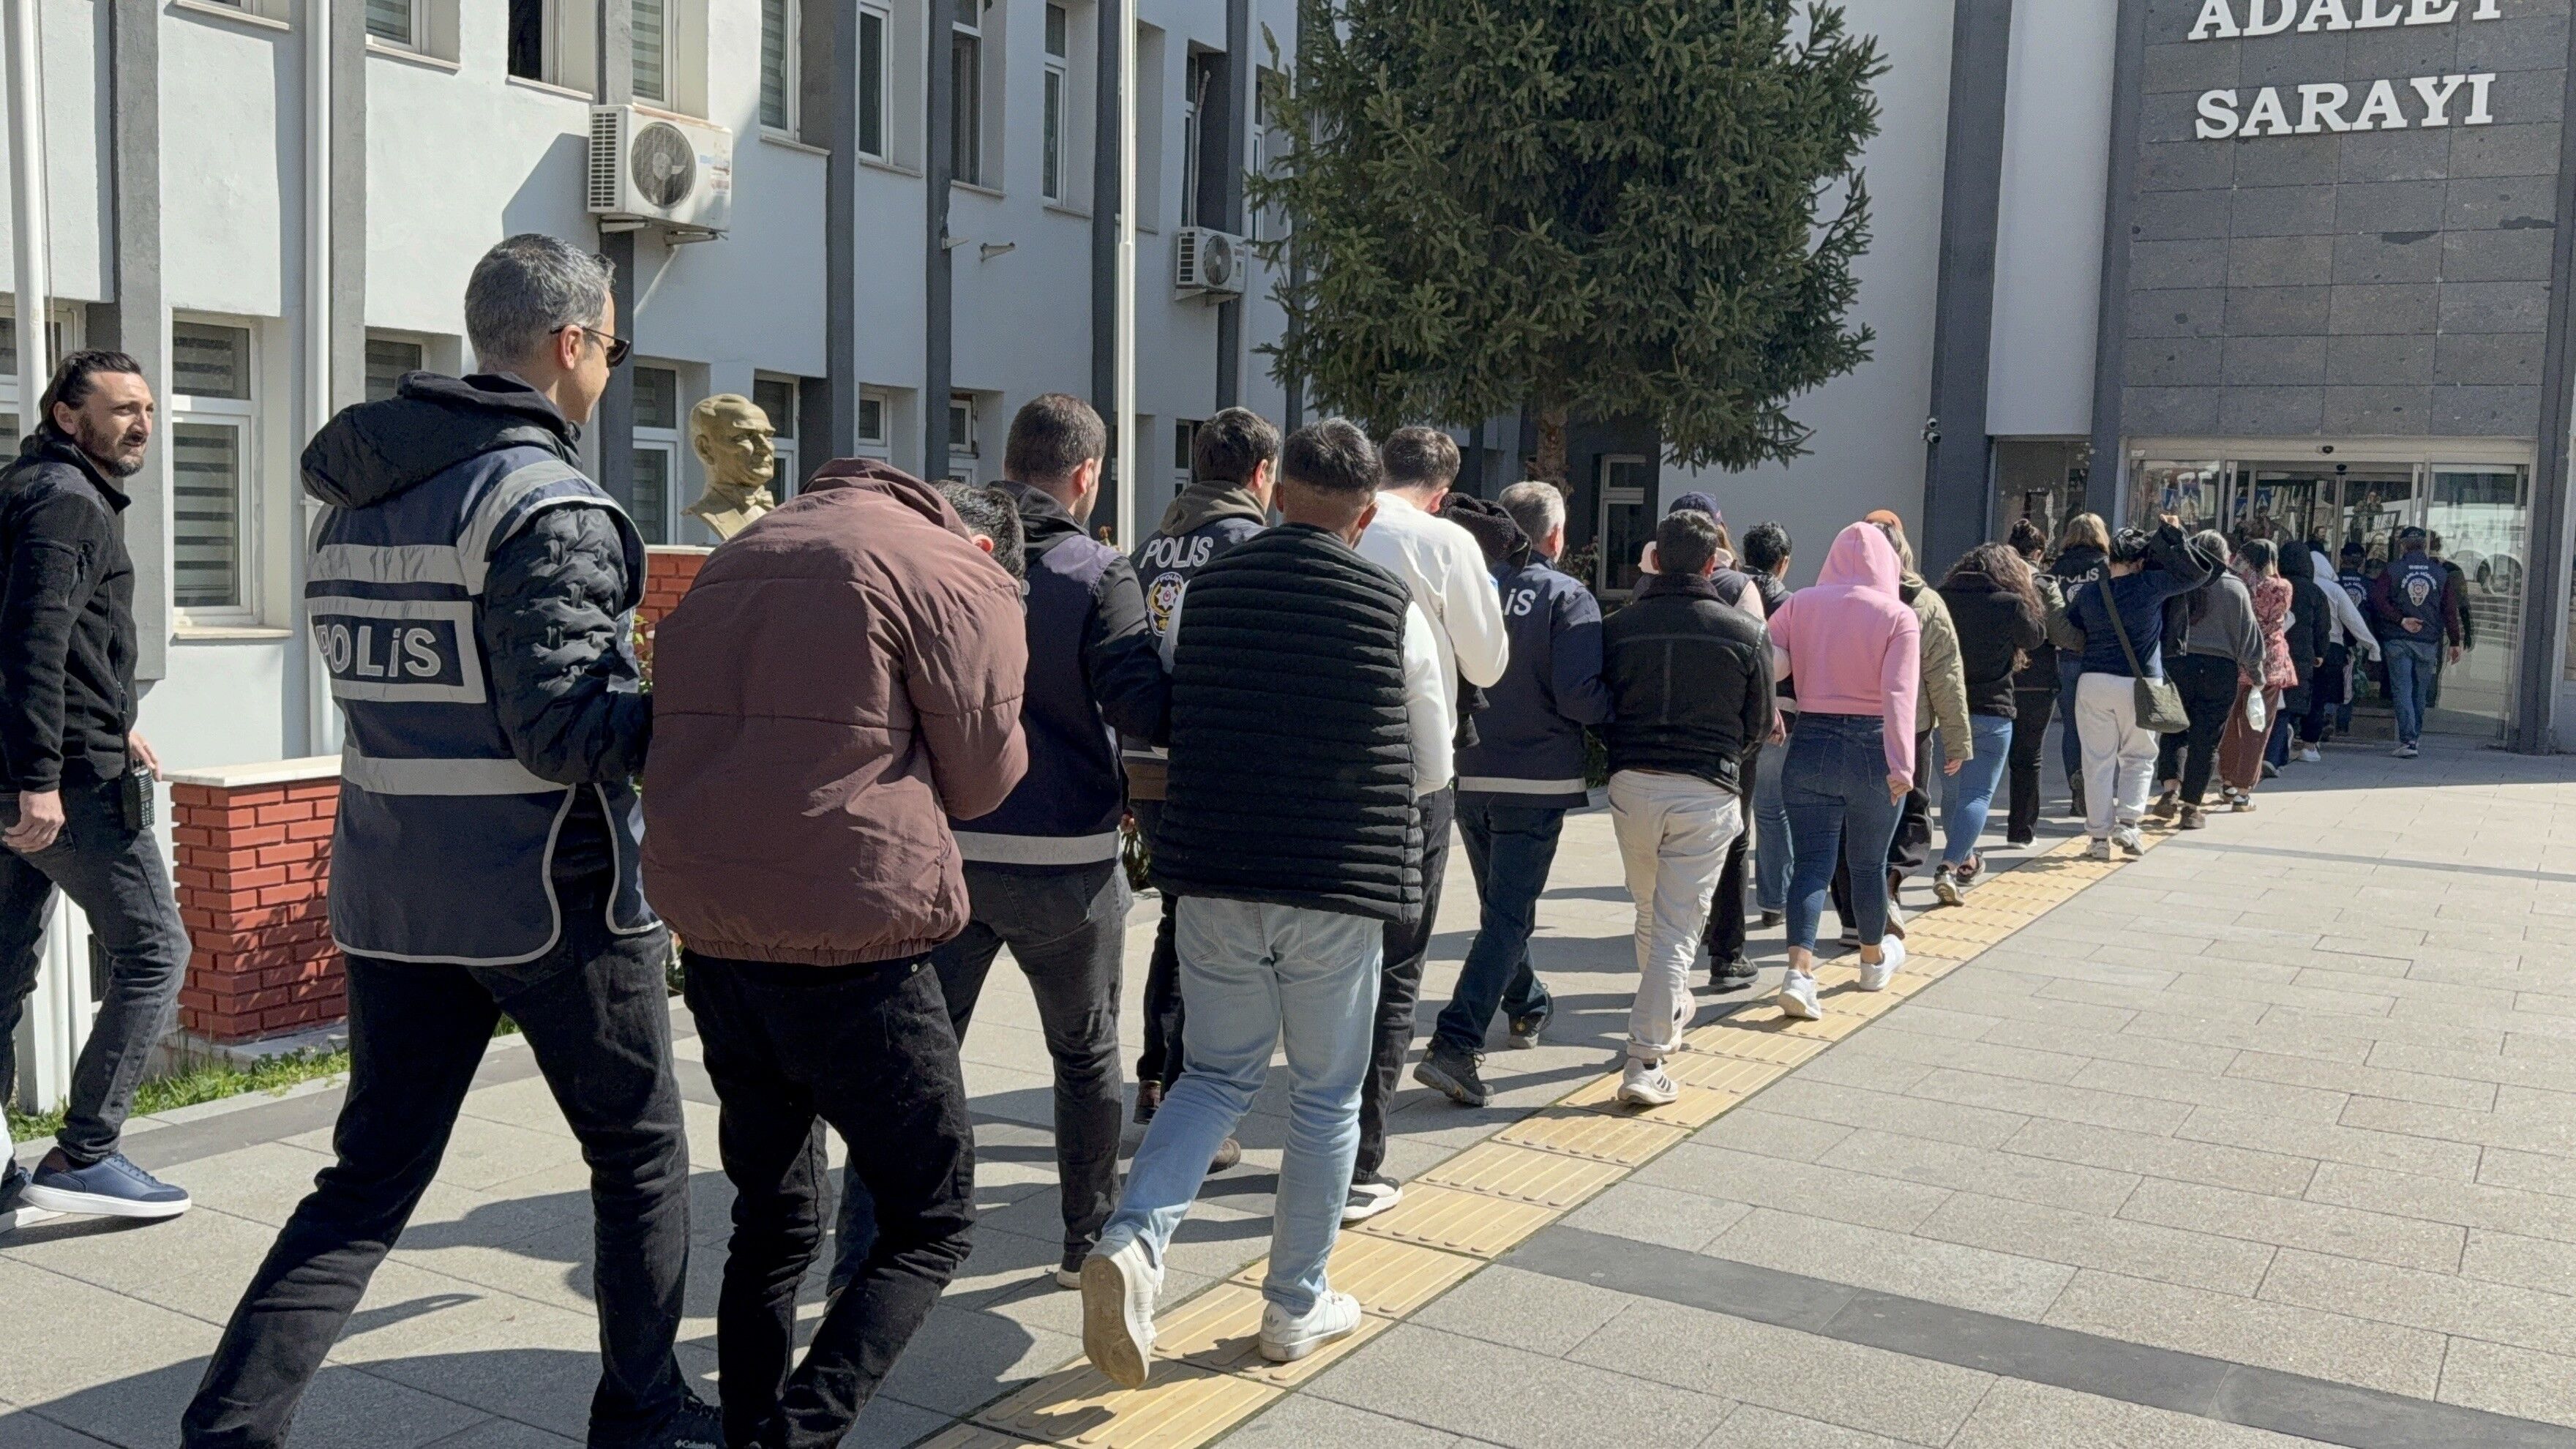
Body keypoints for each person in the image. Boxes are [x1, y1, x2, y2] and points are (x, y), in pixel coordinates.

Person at [187, 236, 722, 1448]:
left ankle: (229, 1426)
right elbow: (562, 733)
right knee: (639, 1158)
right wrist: (695, 708)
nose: (607, 373)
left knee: (368, 1181)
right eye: (612, 348)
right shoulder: (550, 506)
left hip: (391, 894)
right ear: (573, 344)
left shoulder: (357, 507)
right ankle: (641, 1413)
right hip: (552, 899)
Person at [644, 445, 1029, 1448]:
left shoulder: (742, 551)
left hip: (722, 931)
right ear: (980, 540)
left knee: (770, 1219)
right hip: (859, 935)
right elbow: (986, 778)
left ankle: (745, 1428)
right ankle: (797, 1435)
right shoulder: (945, 568)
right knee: (929, 1218)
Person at [1080, 419, 1447, 1385]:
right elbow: (1432, 756)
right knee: (1325, 1096)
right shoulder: (1391, 602)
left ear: (1276, 492)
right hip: (1337, 878)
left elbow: (1181, 700)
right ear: (1366, 517)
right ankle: (1294, 1305)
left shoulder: (1208, 593)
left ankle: (1134, 1243)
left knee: (1212, 1076)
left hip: (1216, 868)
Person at [927, 394, 1170, 1292]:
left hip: (947, 854)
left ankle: (911, 1233)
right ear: (1087, 474)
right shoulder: (1097, 571)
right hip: (1066, 862)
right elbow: (1138, 704)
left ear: (1006, 458)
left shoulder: (942, 554)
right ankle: (1082, 1241)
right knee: (1084, 1053)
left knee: (925, 1051)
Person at [0, 351, 192, 1224]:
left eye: (149, 408)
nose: (142, 424)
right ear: (68, 416)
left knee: (3, 971)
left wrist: (114, 717)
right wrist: (41, 778)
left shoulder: (28, 486)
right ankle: (86, 1154)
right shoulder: (68, 504)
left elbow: (59, 641)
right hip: (62, 785)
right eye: (122, 409)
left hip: (37, 764)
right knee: (157, 951)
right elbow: (30, 645)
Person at [1345, 425, 1508, 1224]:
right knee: (1397, 967)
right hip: (1413, 773)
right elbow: (1487, 664)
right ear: (1441, 490)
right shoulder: (1443, 541)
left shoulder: (1329, 520)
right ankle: (1358, 1164)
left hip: (1314, 772)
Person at [1415, 482, 1610, 1107]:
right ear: (1554, 535)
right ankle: (1456, 1041)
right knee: (1509, 914)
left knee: (1500, 908)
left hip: (1463, 769)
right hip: (1536, 777)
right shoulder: (1566, 597)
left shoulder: (1466, 583)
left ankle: (1524, 1000)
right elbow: (1582, 696)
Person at [1124, 408, 1275, 1156]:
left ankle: (1156, 1074)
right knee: (1220, 938)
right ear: (1259, 474)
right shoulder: (1255, 550)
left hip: (1149, 766)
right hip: (1221, 771)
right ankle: (1193, 1094)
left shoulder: (1149, 547)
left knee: (1178, 920)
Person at [1598, 510, 1772, 1104]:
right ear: (1710, 563)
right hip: (1707, 786)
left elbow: (1602, 705)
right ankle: (1644, 1061)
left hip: (1631, 784)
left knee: (1649, 910)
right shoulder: (1745, 632)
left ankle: (1667, 1009)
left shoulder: (1618, 627)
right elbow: (1758, 723)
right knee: (1676, 929)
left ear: (1653, 558)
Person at [1770, 523, 1919, 1021]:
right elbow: (1900, 696)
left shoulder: (1800, 604)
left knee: (1811, 864)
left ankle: (1798, 973)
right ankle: (1872, 960)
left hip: (1810, 743)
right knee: (1868, 865)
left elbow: (1762, 660)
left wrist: (1772, 711)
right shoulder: (1898, 615)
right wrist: (1902, 764)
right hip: (1874, 749)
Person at [1835, 514, 1966, 935]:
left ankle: (1854, 921)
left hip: (1847, 722)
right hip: (1911, 726)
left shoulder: (1835, 596)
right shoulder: (1924, 601)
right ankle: (1889, 887)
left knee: (1850, 818)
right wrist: (1958, 739)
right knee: (1912, 809)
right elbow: (1944, 673)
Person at [2062, 517, 2209, 858]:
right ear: (2140, 561)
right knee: (2139, 756)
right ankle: (2128, 826)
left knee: (2097, 761)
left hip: (2093, 681)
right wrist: (2174, 537)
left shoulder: (2091, 591)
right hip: (2141, 683)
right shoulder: (2150, 585)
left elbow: (2073, 626)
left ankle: (2098, 839)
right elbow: (2198, 574)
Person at [1929, 542, 2043, 905]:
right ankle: (1949, 865)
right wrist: (2028, 588)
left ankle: (1966, 858)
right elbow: (2036, 637)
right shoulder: (2010, 603)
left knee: (1952, 793)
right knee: (1977, 794)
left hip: (1946, 711)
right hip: (1993, 712)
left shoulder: (1940, 598)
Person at [2149, 531, 2260, 831]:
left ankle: (2169, 790)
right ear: (2226, 557)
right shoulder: (2236, 587)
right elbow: (2250, 637)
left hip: (2176, 664)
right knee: (2206, 741)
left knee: (2174, 730)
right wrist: (2257, 673)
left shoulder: (2180, 582)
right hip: (2220, 670)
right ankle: (2191, 807)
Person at [1738, 523, 1797, 922]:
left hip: (1733, 713)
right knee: (1773, 809)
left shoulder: (1726, 590)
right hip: (1783, 713)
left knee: (1734, 809)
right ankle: (1774, 901)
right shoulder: (1792, 604)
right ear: (1783, 563)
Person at [2371, 525, 2461, 757]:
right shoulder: (2440, 573)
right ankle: (2415, 737)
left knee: (2403, 690)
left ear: (2402, 545)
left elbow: (2378, 600)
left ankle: (2408, 740)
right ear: (2424, 546)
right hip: (2427, 640)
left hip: (2398, 639)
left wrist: (2400, 620)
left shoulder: (2392, 570)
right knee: (2420, 692)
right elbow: (2450, 610)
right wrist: (2455, 641)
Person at [2217, 538, 2294, 807]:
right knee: (2258, 727)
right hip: (2269, 661)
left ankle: (2227, 780)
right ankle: (2243, 789)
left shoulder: (2235, 584)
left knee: (2231, 723)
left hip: (2237, 656)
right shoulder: (2282, 587)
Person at [2002, 519, 2064, 846]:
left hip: (1997, 677)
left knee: (1985, 755)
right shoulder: (2043, 583)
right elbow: (2061, 631)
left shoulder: (1995, 580)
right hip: (2038, 679)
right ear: (2038, 553)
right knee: (2029, 756)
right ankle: (2021, 831)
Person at [2047, 514, 2111, 819]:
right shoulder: (2107, 567)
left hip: (2066, 655)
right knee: (2102, 726)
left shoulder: (2056, 570)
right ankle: (2098, 791)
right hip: (2101, 655)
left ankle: (2077, 787)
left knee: (2072, 725)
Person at [2301, 537, 2377, 757]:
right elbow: (2353, 620)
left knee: (2300, 693)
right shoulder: (2334, 589)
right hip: (2331, 648)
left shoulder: (2296, 586)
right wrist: (2372, 646)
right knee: (2320, 695)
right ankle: (2312, 741)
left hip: (2302, 648)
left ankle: (2292, 733)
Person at [2272, 542, 2330, 770]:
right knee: (2291, 703)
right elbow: (2322, 627)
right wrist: (2320, 653)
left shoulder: (2276, 586)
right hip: (2303, 655)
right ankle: (2285, 740)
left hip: (2275, 651)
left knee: (2273, 701)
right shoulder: (2314, 592)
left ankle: (2275, 746)